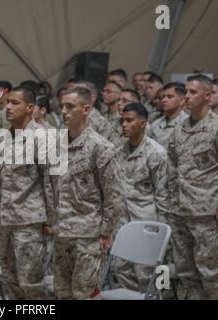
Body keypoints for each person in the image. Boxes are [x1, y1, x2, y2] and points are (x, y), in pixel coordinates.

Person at [168, 75, 218, 299]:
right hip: (180, 210)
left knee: (209, 272)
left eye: (193, 92)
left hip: (208, 213)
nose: (186, 96)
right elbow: (172, 166)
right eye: (186, 92)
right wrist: (171, 202)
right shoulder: (179, 129)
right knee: (186, 272)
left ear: (207, 96)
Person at [52, 87, 125, 299]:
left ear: (86, 109)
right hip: (62, 231)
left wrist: (106, 231)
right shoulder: (57, 144)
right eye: (62, 106)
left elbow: (114, 195)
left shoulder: (100, 147)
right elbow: (51, 186)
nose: (64, 111)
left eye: (70, 107)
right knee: (61, 293)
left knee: (83, 294)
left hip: (88, 234)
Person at [0, 86, 54, 299]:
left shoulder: (44, 137)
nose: (8, 107)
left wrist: (51, 221)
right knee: (10, 280)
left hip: (29, 221)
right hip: (5, 219)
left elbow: (52, 182)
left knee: (31, 283)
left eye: (14, 103)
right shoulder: (1, 137)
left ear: (30, 108)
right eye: (7, 102)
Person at [114, 103, 171, 292]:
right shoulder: (118, 151)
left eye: (129, 120)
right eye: (122, 120)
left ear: (143, 123)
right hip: (122, 221)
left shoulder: (156, 153)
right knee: (121, 269)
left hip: (146, 221)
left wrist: (164, 233)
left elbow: (163, 194)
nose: (124, 124)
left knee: (146, 273)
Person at [148, 82, 188, 149]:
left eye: (170, 97)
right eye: (163, 97)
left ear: (182, 100)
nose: (164, 100)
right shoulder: (156, 124)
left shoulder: (187, 123)